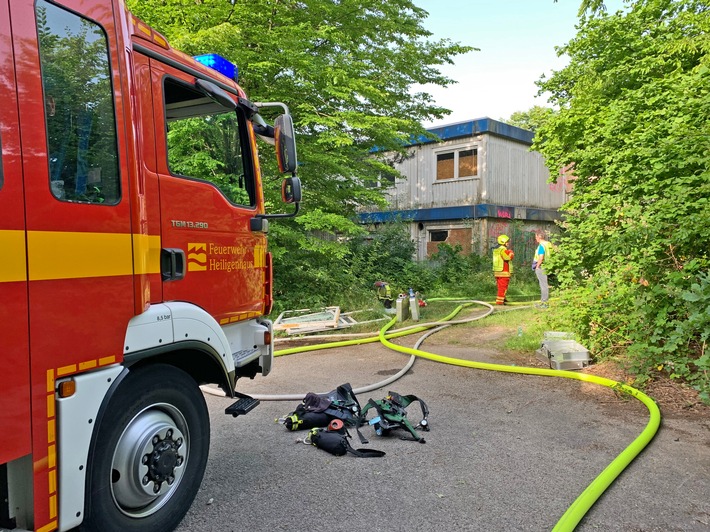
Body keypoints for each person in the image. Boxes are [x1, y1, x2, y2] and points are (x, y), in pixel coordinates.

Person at [492, 234, 514, 305]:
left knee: (500, 286)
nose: (508, 243)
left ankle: (503, 299)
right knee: (503, 287)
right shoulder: (503, 249)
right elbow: (507, 258)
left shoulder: (496, 249)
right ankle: (499, 302)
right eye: (507, 242)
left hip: (497, 272)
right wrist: (511, 253)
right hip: (504, 272)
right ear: (503, 242)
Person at [532, 231, 552, 309]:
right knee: (544, 284)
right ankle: (543, 302)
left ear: (539, 237)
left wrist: (537, 266)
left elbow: (541, 257)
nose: (535, 238)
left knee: (543, 285)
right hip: (548, 265)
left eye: (536, 237)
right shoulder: (548, 244)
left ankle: (544, 303)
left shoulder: (541, 245)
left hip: (541, 266)